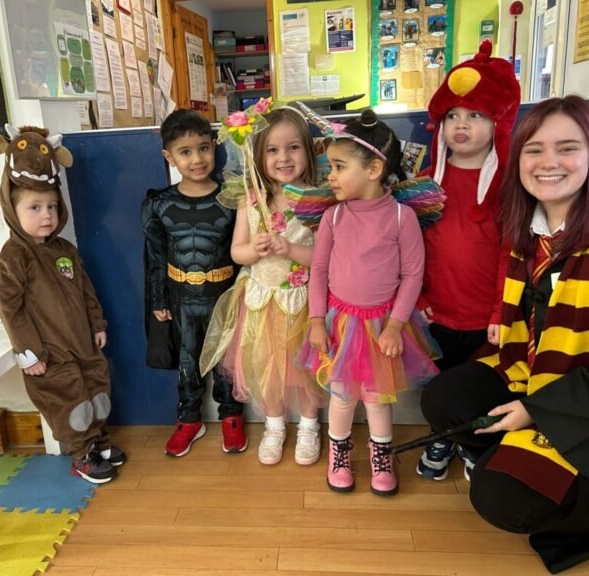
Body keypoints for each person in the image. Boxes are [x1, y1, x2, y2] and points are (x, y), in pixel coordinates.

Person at [421, 95, 589, 573]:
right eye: (534, 150)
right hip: (538, 370)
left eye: (567, 148)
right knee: (445, 399)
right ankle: (517, 455)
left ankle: (579, 496)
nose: (548, 163)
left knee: (500, 500)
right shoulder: (533, 228)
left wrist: (538, 410)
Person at [297, 110, 438, 496]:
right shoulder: (332, 218)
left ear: (374, 169)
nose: (330, 176)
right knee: (342, 395)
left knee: (377, 399)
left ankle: (381, 457)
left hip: (383, 326)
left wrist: (395, 325)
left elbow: (413, 275)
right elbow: (319, 271)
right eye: (330, 166)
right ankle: (339, 454)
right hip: (340, 324)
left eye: (339, 167)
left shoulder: (402, 217)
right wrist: (316, 320)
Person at [0, 125, 126, 484]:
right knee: (71, 404)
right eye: (34, 208)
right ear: (12, 208)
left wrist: (97, 323)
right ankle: (82, 454)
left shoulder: (65, 250)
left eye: (51, 206)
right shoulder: (12, 258)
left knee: (97, 394)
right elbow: (11, 310)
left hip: (82, 343)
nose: (46, 215)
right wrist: (29, 352)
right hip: (50, 353)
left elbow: (85, 290)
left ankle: (100, 443)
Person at [415, 39, 521, 482]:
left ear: (496, 122)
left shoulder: (509, 185)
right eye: (452, 115)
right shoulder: (424, 183)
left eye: (475, 115)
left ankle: (473, 442)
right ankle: (443, 434)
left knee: (477, 388)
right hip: (436, 312)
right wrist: (419, 299)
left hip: (486, 319)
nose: (461, 125)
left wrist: (500, 311)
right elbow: (412, 250)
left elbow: (510, 253)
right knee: (438, 382)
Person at [201, 107, 323, 467]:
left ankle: (310, 426)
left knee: (306, 370)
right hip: (261, 302)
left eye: (293, 147)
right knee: (266, 367)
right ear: (259, 155)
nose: (283, 157)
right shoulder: (250, 198)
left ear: (308, 150)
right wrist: (255, 249)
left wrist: (291, 249)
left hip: (304, 302)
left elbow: (326, 258)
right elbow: (237, 252)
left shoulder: (318, 200)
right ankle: (274, 426)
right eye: (272, 150)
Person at [141, 109, 246, 458]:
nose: (197, 159)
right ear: (168, 156)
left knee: (226, 358)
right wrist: (159, 300)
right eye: (184, 152)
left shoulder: (233, 198)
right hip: (181, 297)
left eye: (203, 148)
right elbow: (155, 257)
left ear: (214, 146)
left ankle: (231, 415)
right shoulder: (159, 204)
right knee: (187, 360)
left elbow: (243, 252)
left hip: (225, 295)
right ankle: (188, 418)